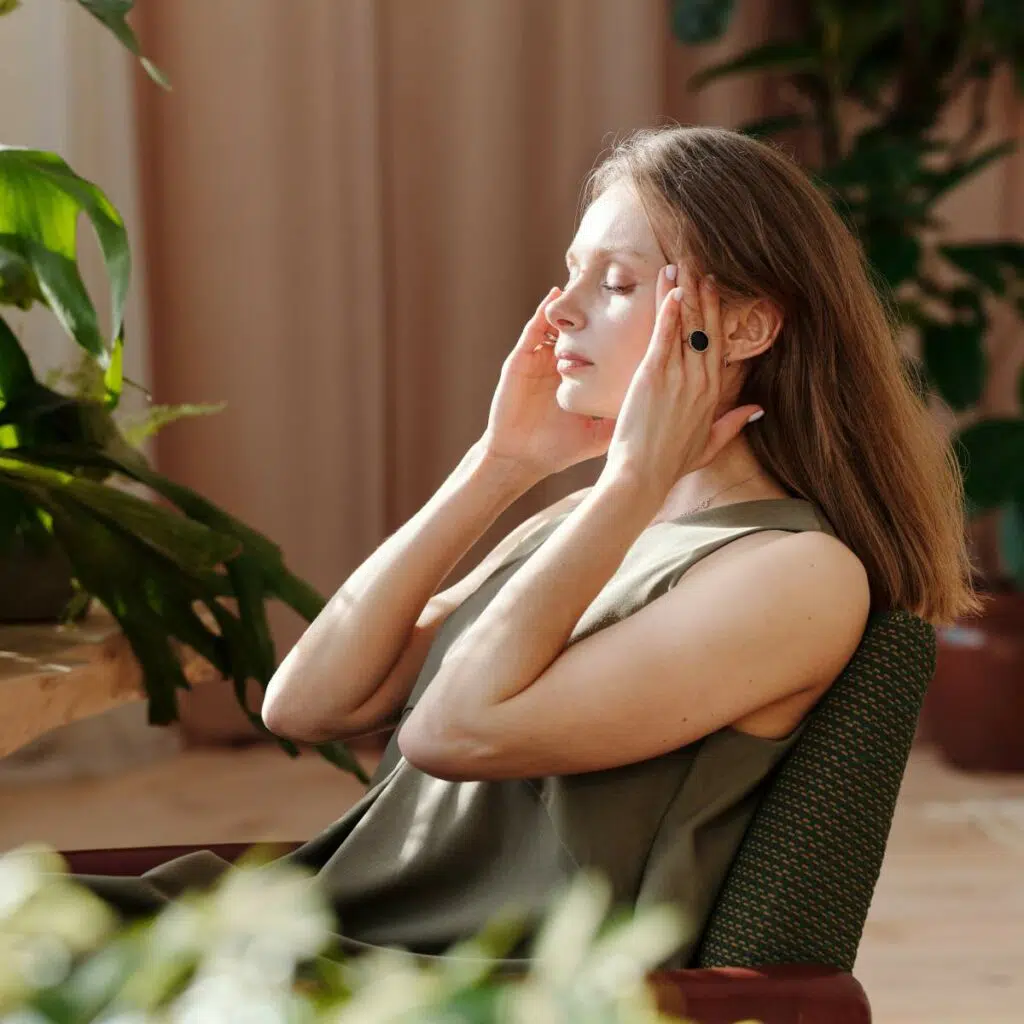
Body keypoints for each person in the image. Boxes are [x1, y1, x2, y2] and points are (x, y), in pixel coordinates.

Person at [67, 124, 980, 970]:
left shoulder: (794, 574)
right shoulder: (586, 526)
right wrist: (497, 465)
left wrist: (626, 486)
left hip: (424, 983)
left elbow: (451, 730)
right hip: (299, 927)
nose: (559, 315)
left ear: (743, 326)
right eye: (569, 275)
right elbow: (305, 705)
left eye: (616, 284)